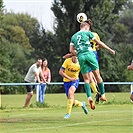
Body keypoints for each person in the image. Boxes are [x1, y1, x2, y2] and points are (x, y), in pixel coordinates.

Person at [69, 21, 115, 110]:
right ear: (86, 27)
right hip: (90, 54)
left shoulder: (73, 36)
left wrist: (78, 53)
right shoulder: (88, 33)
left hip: (81, 56)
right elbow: (99, 43)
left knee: (86, 79)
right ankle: (103, 95)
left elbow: (71, 50)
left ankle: (89, 98)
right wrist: (110, 49)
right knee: (97, 75)